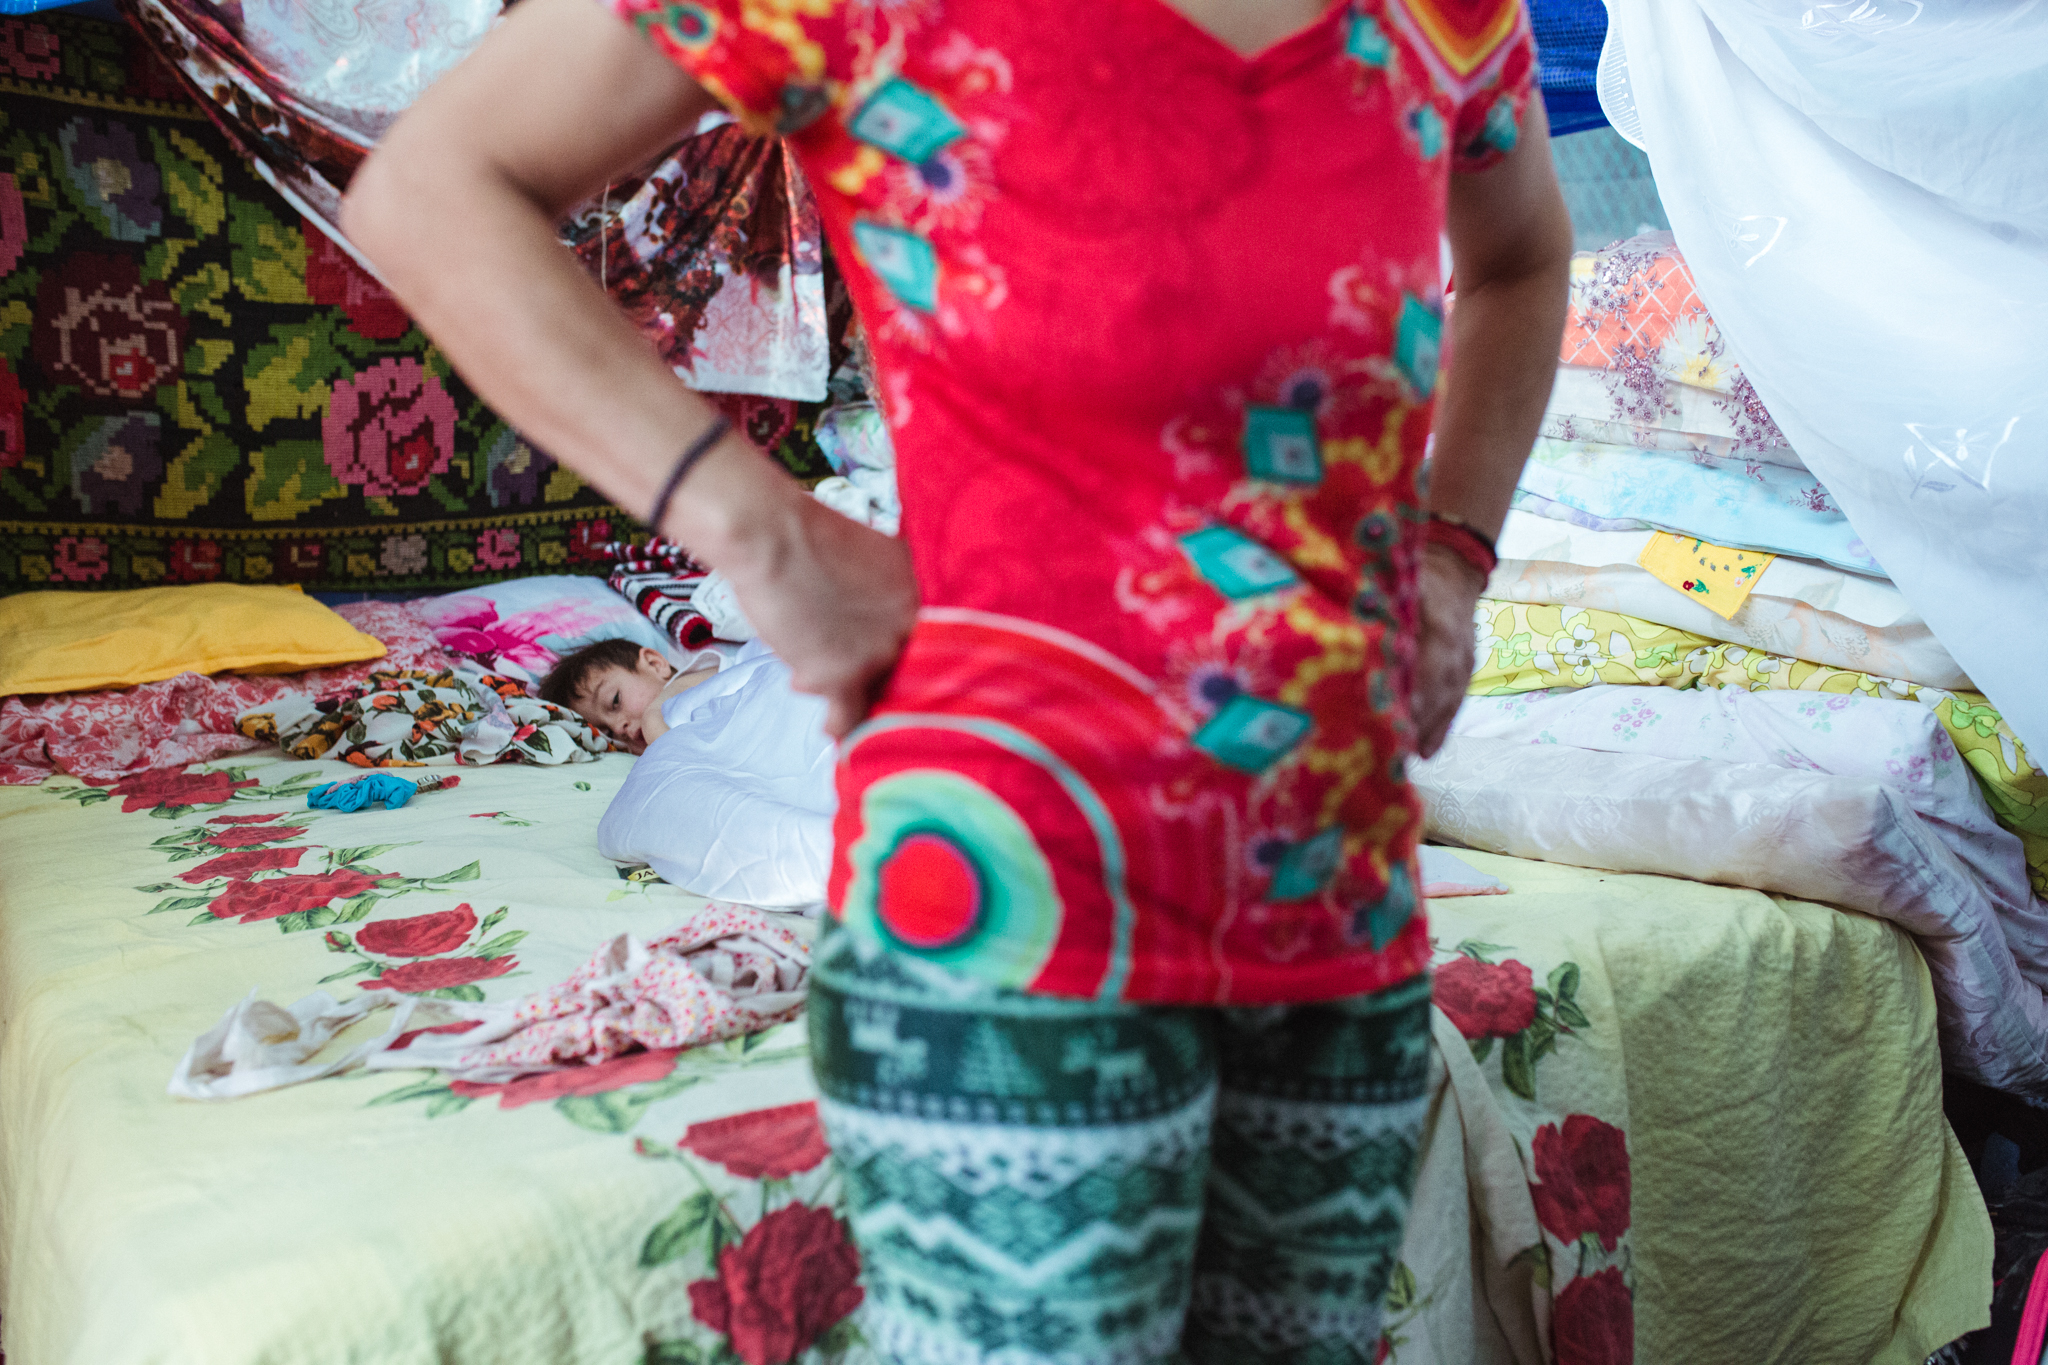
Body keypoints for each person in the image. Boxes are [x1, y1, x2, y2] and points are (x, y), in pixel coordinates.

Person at [343, 0, 1571, 1359]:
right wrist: (765, 533)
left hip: (1334, 910)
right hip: (1009, 926)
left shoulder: (1447, 19)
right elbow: (433, 189)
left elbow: (1519, 262)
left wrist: (1452, 556)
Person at [537, 637, 720, 751]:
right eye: (607, 732)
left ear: (654, 664)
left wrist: (654, 716)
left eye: (615, 701)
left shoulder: (709, 676)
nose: (617, 729)